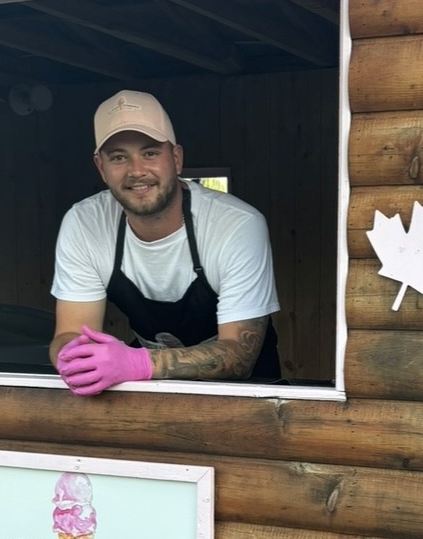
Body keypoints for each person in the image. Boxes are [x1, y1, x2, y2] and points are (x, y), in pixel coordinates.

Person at [50, 90, 281, 395]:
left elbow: (239, 353)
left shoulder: (236, 224)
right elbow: (69, 332)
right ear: (100, 167)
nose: (136, 171)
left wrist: (138, 364)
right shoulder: (84, 224)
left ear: (176, 158)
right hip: (146, 389)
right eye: (118, 157)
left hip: (247, 393)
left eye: (150, 153)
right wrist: (76, 359)